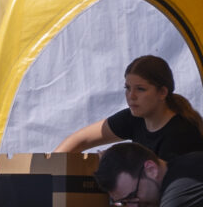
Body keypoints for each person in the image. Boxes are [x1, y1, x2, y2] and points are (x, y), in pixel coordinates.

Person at [59, 54, 203, 161]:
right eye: (127, 88)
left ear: (162, 92)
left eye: (140, 89)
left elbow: (160, 191)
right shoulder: (134, 118)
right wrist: (50, 170)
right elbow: (79, 140)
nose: (131, 96)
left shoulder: (181, 134)